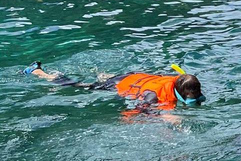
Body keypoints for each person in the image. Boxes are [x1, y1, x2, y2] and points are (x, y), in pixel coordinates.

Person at [22, 61, 205, 109]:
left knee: (106, 79)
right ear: (179, 95)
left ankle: (103, 75)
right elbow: (131, 114)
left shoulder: (177, 80)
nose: (196, 102)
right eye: (191, 101)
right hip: (123, 84)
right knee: (78, 86)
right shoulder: (154, 96)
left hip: (132, 76)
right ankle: (40, 73)